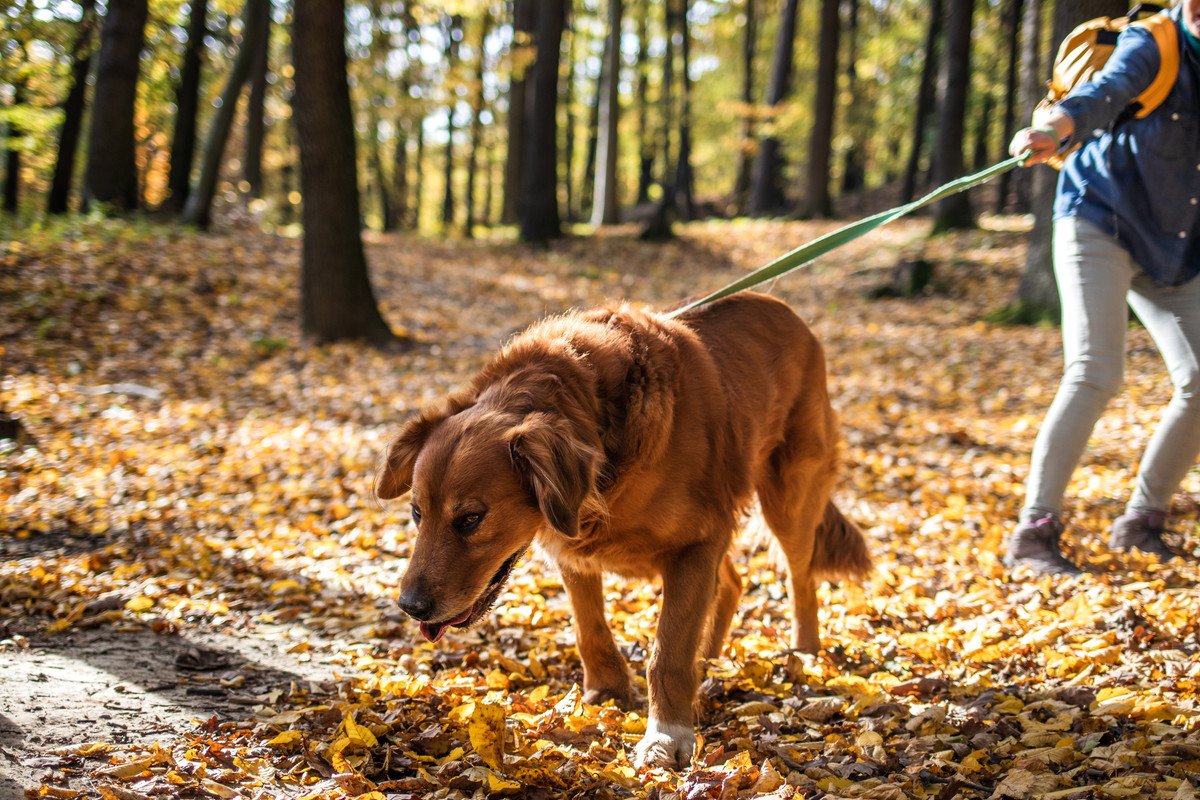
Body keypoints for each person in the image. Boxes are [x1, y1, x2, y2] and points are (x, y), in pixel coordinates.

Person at [1005, 0, 1200, 575]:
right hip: (1101, 220)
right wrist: (1052, 129)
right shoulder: (1156, 41)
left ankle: (1142, 522)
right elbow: (1105, 93)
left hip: (1176, 246)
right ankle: (1033, 534)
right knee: (1096, 370)